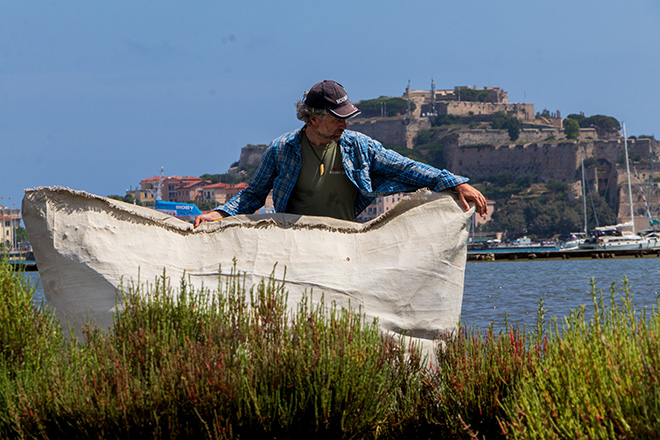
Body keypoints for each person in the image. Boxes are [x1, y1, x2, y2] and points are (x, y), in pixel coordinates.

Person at [194, 80, 487, 227]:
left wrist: (454, 182)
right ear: (312, 119)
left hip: (346, 242)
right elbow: (253, 195)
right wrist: (218, 213)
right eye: (337, 119)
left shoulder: (358, 146)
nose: (344, 125)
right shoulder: (281, 150)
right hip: (295, 242)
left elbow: (407, 168)